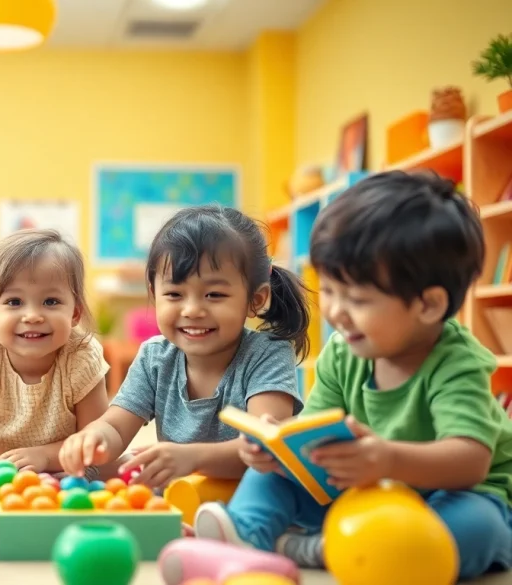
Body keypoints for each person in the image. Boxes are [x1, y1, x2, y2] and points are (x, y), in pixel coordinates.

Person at [193, 172, 512, 581]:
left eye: (358, 299)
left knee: (477, 527)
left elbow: (470, 461)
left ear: (429, 305)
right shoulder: (344, 351)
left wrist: (388, 459)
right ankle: (246, 539)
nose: (337, 312)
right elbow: (316, 433)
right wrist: (281, 449)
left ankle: (333, 549)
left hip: (453, 496)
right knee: (268, 476)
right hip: (364, 492)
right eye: (328, 290)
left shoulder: (457, 362)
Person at [60, 205, 311, 490]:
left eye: (214, 294)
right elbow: (116, 426)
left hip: (248, 499)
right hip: (180, 500)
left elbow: (265, 446)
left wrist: (192, 458)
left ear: (256, 299)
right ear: (155, 295)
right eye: (175, 294)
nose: (192, 310)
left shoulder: (267, 354)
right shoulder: (155, 357)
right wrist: (94, 438)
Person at [0, 229, 111, 476]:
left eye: (50, 301)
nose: (32, 316)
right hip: (1, 478)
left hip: (66, 473)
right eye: (14, 302)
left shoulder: (81, 355)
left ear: (74, 313)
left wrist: (43, 457)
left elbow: (96, 442)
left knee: (119, 468)